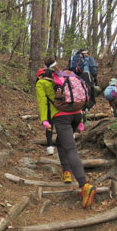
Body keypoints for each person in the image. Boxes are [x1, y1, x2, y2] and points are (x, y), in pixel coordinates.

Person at [35, 57, 97, 208]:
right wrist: (81, 121)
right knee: (60, 143)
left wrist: (44, 120)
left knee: (70, 149)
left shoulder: (42, 83)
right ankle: (66, 171)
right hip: (76, 114)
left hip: (62, 118)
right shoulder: (66, 77)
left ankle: (84, 186)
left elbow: (43, 103)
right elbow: (77, 96)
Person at [36, 68, 55, 155]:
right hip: (62, 109)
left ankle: (50, 147)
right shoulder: (56, 81)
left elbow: (42, 102)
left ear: (40, 76)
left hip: (49, 109)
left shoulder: (40, 83)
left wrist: (44, 119)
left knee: (49, 128)